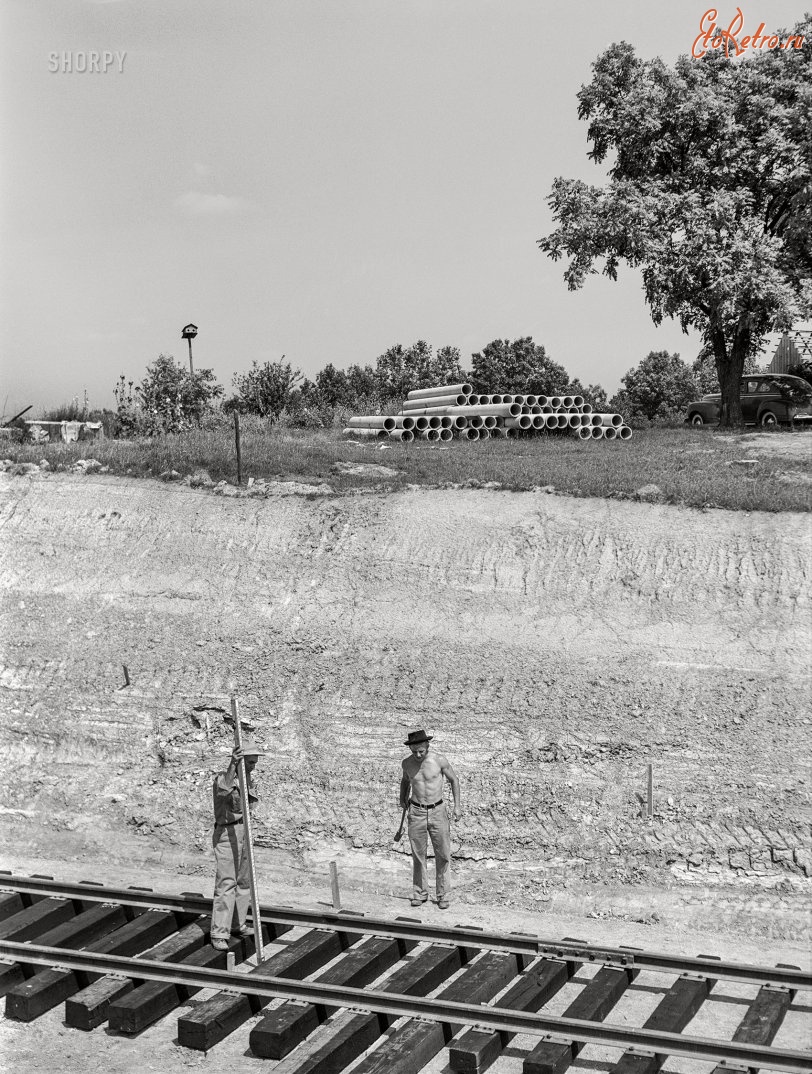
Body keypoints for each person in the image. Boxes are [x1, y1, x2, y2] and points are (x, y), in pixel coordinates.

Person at [399, 729, 462, 909]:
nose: (418, 755)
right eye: (414, 751)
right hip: (416, 812)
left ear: (428, 746)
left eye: (421, 751)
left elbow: (454, 780)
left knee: (442, 854)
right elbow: (405, 781)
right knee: (418, 855)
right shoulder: (407, 763)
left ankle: (442, 895)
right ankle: (419, 893)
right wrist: (401, 798)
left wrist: (457, 806)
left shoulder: (439, 760)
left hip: (438, 811)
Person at [211, 741, 263, 950]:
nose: (253, 766)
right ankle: (218, 933)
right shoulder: (223, 778)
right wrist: (233, 764)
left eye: (254, 763)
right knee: (226, 883)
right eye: (249, 762)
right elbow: (223, 792)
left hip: (244, 831)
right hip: (227, 832)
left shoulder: (247, 779)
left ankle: (236, 924)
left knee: (244, 881)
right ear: (240, 761)